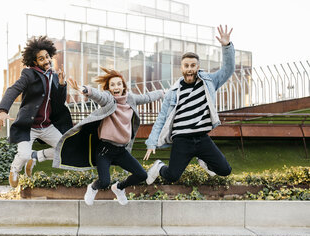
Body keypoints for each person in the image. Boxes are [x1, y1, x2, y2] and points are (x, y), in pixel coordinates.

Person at [53, 67, 163, 205]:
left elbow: (147, 97)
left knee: (142, 175)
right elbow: (98, 95)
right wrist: (84, 89)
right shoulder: (109, 99)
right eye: (112, 85)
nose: (116, 87)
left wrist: (162, 92)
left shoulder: (131, 99)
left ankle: (119, 188)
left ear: (123, 86)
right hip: (105, 150)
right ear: (109, 88)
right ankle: (92, 188)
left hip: (121, 151)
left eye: (118, 84)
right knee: (104, 182)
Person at [143, 25, 234, 185]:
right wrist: (152, 142)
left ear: (198, 66)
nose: (190, 69)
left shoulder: (209, 82)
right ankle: (158, 167)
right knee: (172, 176)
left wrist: (226, 46)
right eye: (187, 66)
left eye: (193, 65)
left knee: (225, 170)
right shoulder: (173, 92)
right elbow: (161, 118)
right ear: (182, 68)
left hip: (202, 138)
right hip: (182, 140)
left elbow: (228, 69)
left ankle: (204, 160)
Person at [0, 36, 73, 188]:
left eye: (47, 57)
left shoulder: (55, 76)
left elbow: (58, 101)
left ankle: (36, 156)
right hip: (29, 126)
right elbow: (14, 89)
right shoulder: (29, 74)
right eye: (41, 59)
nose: (46, 61)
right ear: (35, 62)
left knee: (65, 149)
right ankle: (15, 169)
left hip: (47, 127)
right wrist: (3, 110)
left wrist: (62, 85)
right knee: (23, 155)